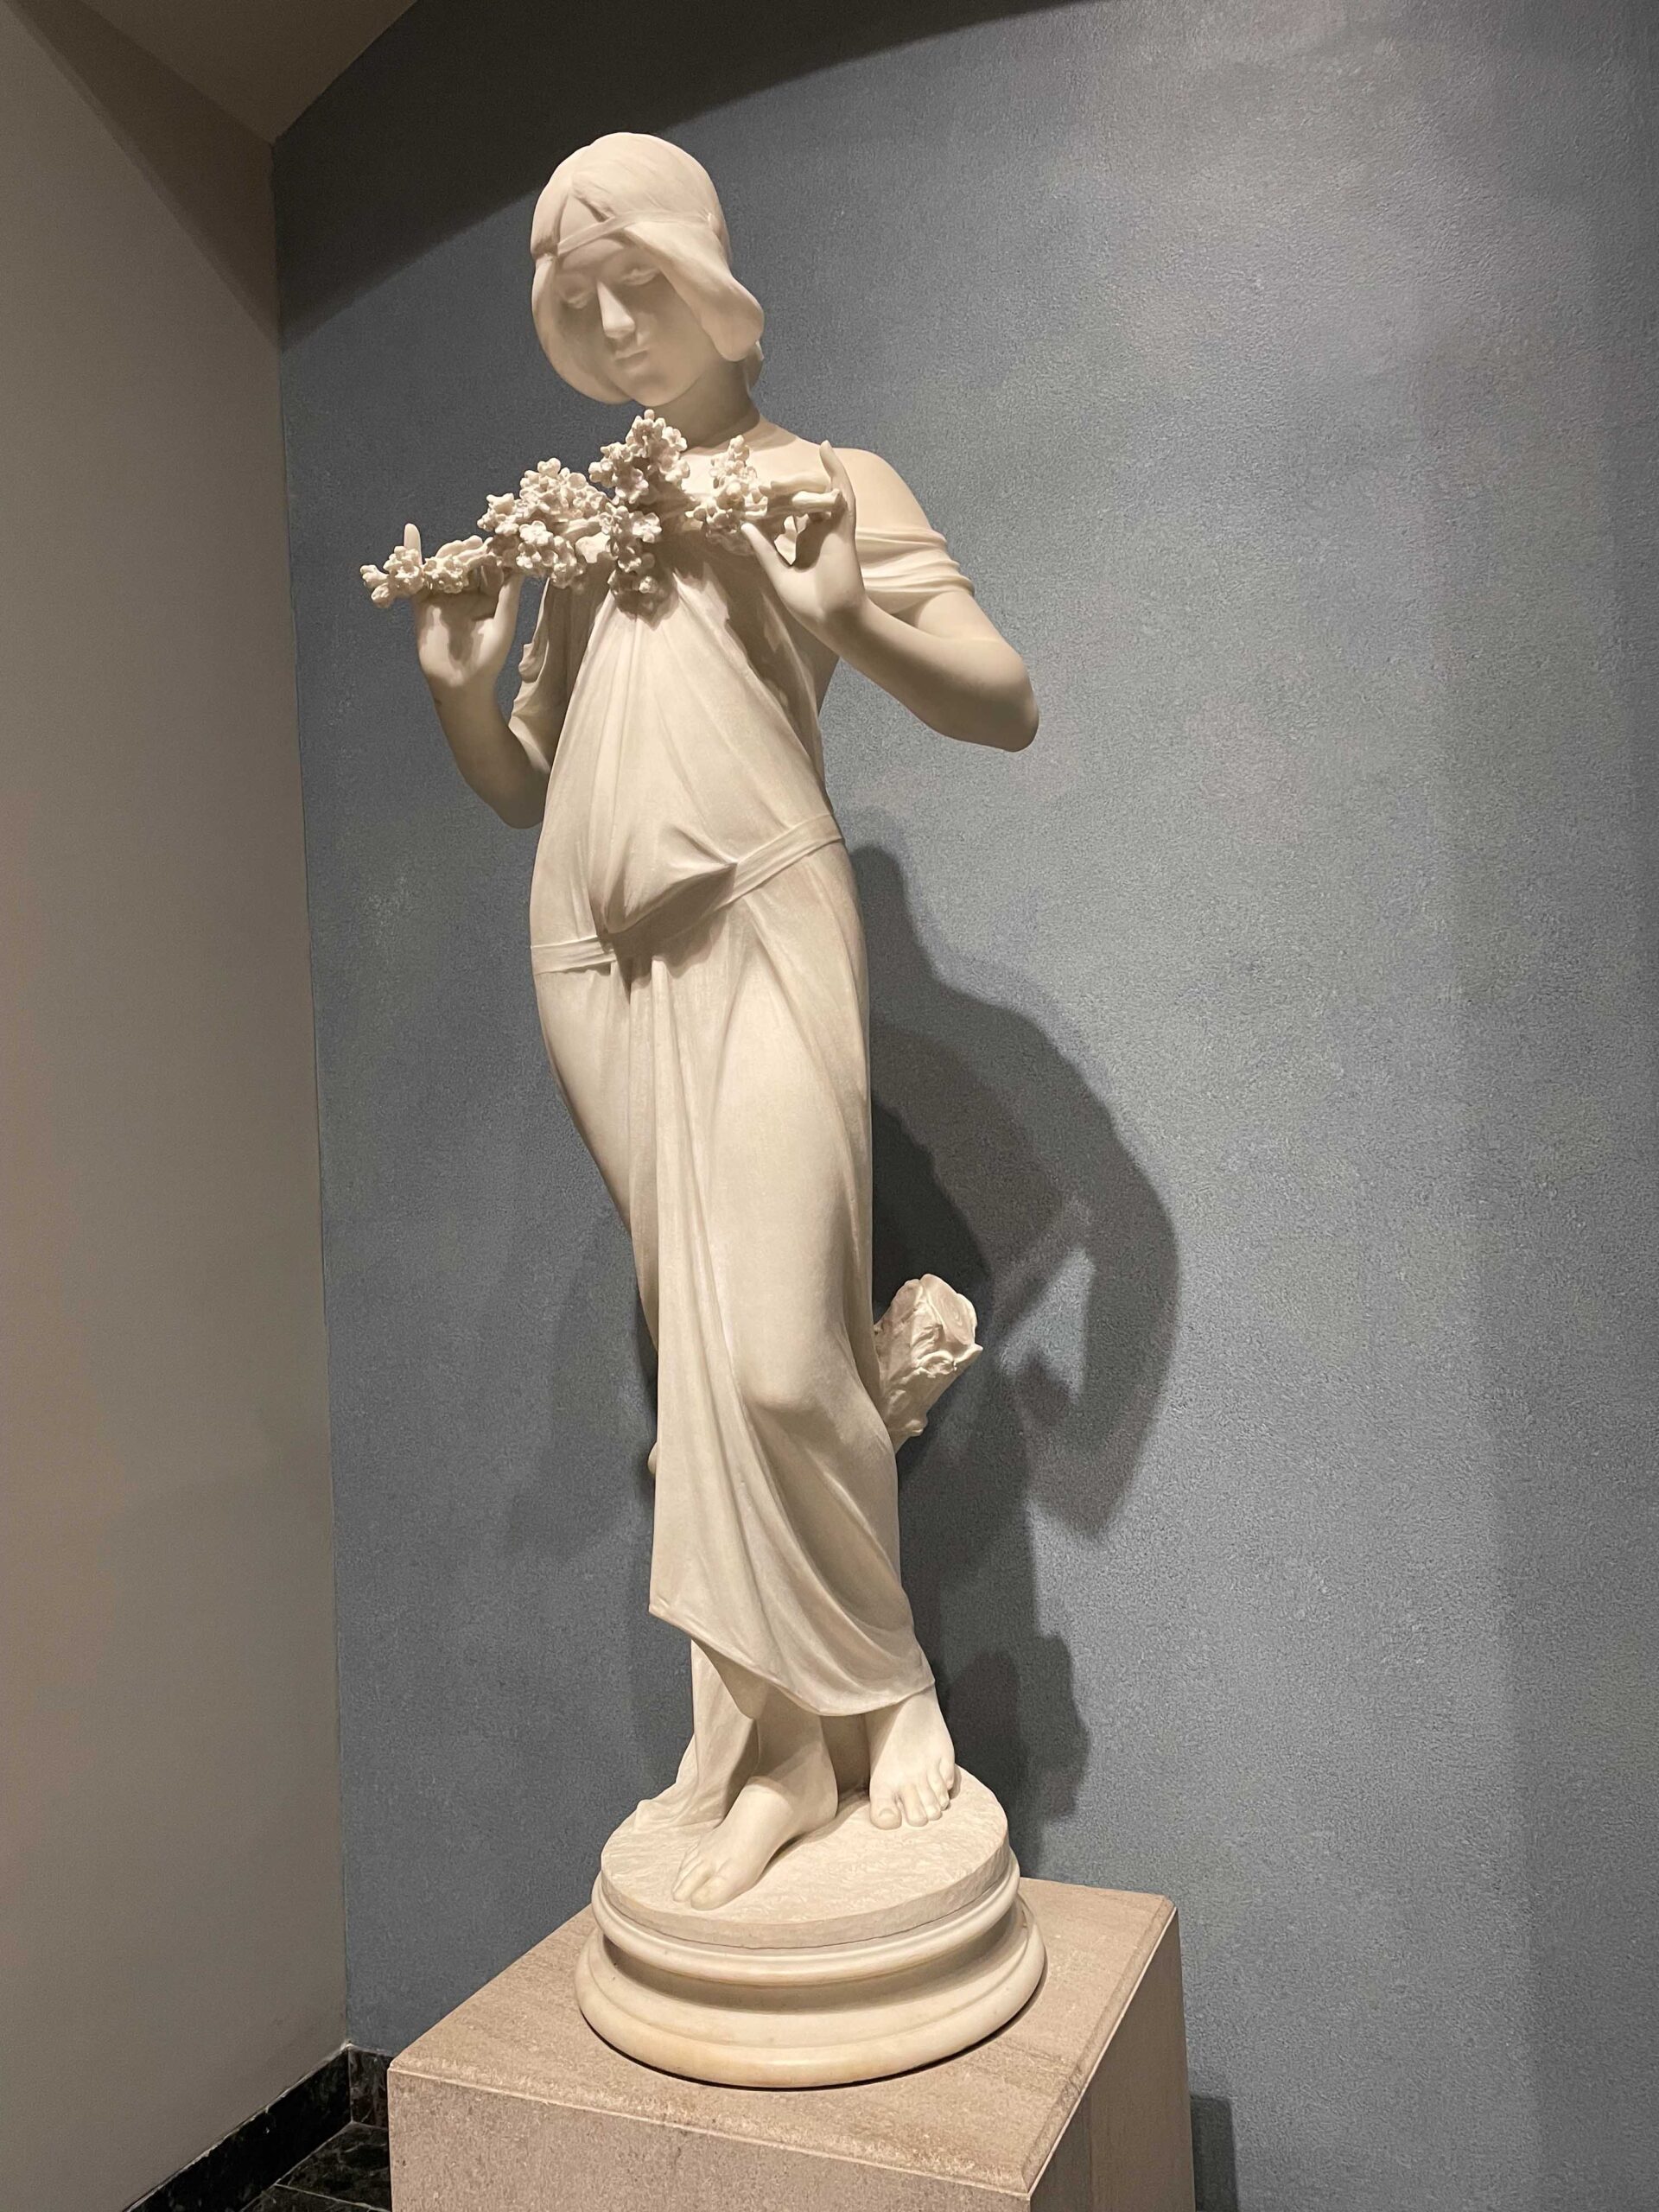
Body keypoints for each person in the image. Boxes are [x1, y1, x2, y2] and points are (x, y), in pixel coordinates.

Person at [402, 133, 1036, 1909]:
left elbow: (1002, 699)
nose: (617, 329)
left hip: (759, 916)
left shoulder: (823, 481)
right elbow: (528, 784)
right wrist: (463, 689)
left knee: (772, 1356)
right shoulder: (587, 524)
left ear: (709, 278)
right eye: (581, 306)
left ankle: (882, 1689)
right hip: (592, 954)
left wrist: (846, 614)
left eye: (642, 289)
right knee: (698, 1354)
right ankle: (771, 1751)